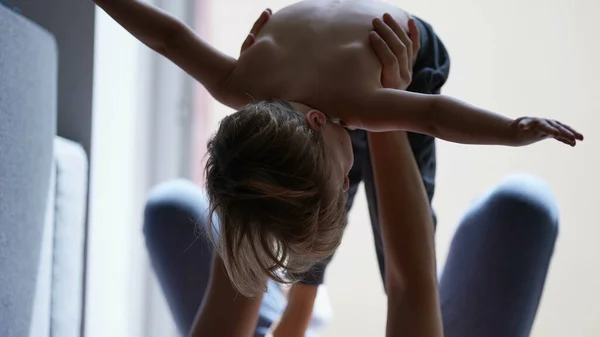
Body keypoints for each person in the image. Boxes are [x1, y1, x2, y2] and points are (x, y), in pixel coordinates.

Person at [91, 0, 570, 335]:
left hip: (409, 58)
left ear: (321, 119)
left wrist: (511, 130)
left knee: (374, 237)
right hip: (325, 71)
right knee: (285, 194)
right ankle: (302, 304)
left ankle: (302, 305)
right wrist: (512, 126)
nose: (349, 185)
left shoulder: (362, 103)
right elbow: (169, 36)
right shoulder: (241, 86)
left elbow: (431, 113)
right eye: (348, 183)